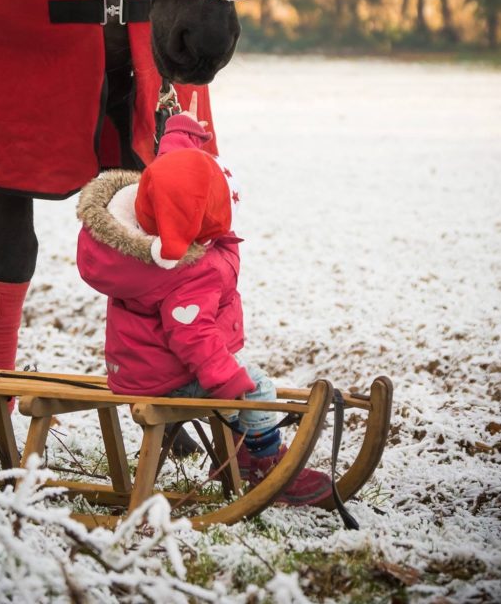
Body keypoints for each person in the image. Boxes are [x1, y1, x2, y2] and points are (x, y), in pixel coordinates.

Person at [76, 94, 331, 506]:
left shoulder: (140, 236)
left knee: (237, 382)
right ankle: (265, 464)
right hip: (166, 378)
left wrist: (180, 130)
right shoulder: (182, 272)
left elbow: (172, 170)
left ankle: (236, 451)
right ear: (190, 229)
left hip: (142, 368)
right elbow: (192, 335)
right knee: (256, 386)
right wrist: (226, 380)